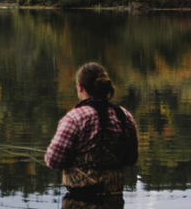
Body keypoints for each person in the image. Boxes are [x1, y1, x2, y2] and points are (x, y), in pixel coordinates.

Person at [45, 62, 138, 196]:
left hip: (78, 204)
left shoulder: (74, 118)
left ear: (80, 87)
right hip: (114, 200)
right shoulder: (125, 116)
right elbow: (131, 159)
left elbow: (53, 160)